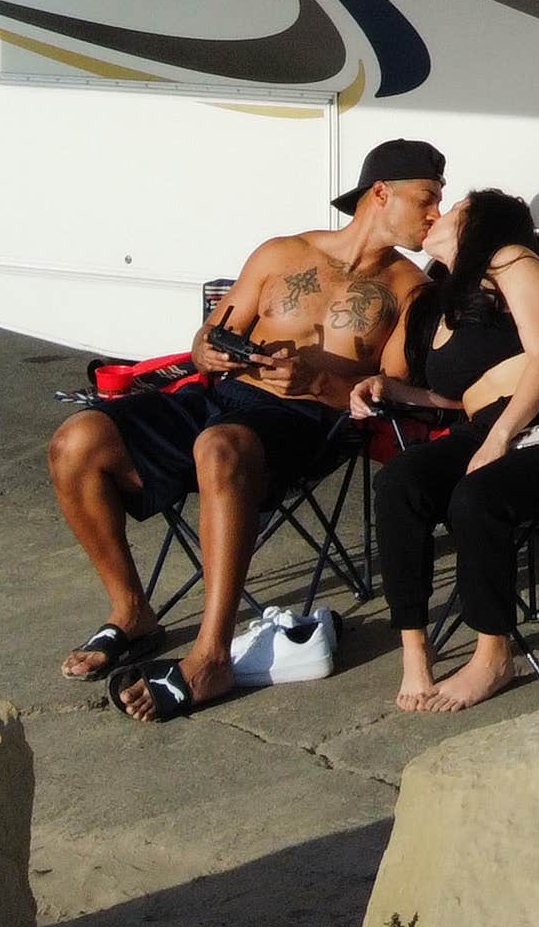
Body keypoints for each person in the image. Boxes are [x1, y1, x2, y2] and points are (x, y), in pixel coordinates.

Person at [47, 136, 444, 721]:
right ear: (381, 193)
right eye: (427, 199)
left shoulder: (411, 291)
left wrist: (314, 383)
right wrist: (211, 352)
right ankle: (130, 610)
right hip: (220, 397)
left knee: (219, 447)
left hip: (309, 421)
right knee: (76, 439)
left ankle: (211, 656)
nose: (436, 214)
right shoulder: (281, 253)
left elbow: (387, 396)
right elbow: (206, 339)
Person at [352, 186, 539, 713]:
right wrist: (389, 389)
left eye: (453, 209)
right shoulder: (444, 297)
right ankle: (415, 649)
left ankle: (493, 655)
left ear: (478, 226)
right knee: (397, 484)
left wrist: (501, 439)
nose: (439, 213)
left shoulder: (514, 263)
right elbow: (456, 400)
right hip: (481, 426)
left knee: (475, 497)